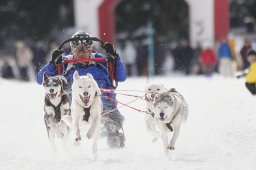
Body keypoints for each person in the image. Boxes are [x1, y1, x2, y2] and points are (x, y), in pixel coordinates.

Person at [37, 31, 127, 148]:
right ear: (72, 49)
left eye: (85, 49)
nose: (81, 52)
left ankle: (116, 153)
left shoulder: (103, 62)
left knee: (115, 124)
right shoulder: (64, 64)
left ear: (91, 49)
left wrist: (115, 57)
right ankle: (69, 154)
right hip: (74, 109)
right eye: (77, 49)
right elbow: (40, 79)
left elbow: (122, 77)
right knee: (63, 123)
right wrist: (52, 63)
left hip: (104, 107)